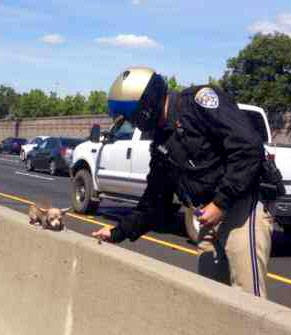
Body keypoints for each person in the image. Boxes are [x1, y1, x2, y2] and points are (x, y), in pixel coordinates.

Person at [93, 67, 273, 298]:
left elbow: (248, 148)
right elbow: (155, 202)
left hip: (242, 205)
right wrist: (118, 232)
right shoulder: (162, 141)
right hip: (209, 213)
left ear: (146, 106)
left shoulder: (199, 104)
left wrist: (221, 203)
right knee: (210, 295)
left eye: (133, 116)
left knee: (248, 298)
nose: (135, 124)